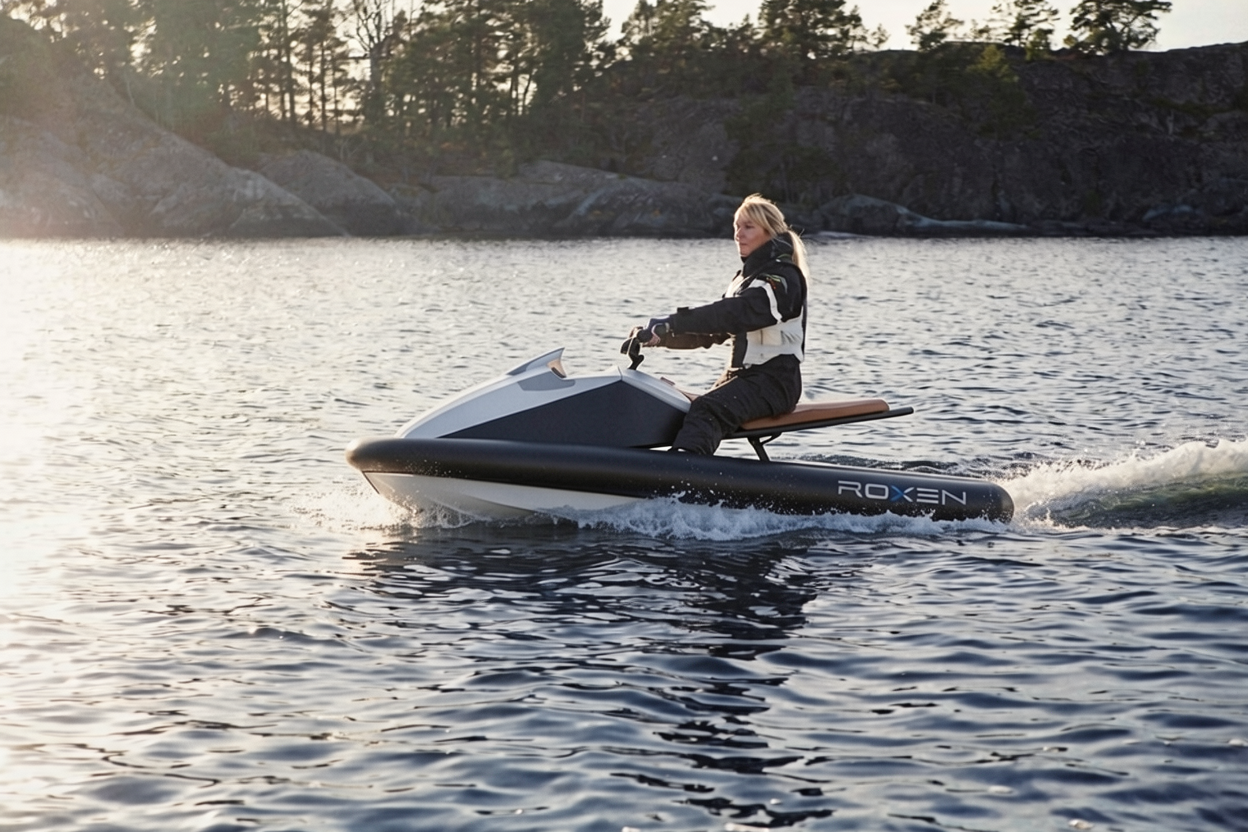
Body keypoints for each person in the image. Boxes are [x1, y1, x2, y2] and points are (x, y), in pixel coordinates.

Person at [631, 193, 809, 454]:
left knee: (707, 409)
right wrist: (661, 337)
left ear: (770, 232)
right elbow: (712, 333)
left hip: (774, 382)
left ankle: (682, 484)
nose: (739, 234)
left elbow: (734, 313)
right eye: (737, 226)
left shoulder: (782, 279)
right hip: (742, 379)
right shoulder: (744, 280)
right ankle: (658, 467)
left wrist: (673, 322)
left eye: (748, 227)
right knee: (673, 405)